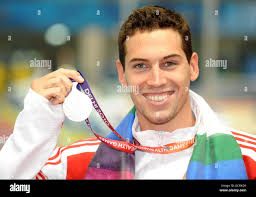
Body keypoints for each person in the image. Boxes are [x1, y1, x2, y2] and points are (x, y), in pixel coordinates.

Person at [0, 5, 255, 180]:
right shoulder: (78, 162)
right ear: (122, 74)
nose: (156, 80)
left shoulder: (248, 159)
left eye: (169, 63)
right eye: (140, 66)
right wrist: (37, 119)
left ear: (193, 67)